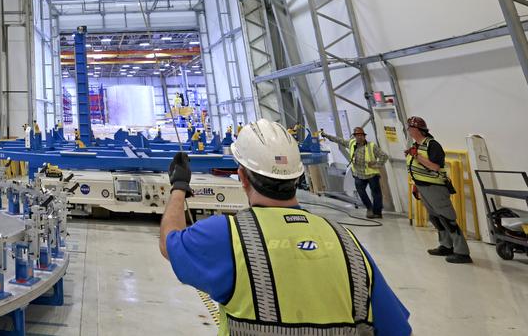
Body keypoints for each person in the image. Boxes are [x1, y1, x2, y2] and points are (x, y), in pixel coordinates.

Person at [159, 119, 410, 336]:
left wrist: (179, 186)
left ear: (242, 177)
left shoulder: (226, 236)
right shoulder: (348, 243)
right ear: (297, 177)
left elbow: (170, 241)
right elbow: (396, 329)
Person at [405, 115, 470, 264]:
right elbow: (415, 168)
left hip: (435, 188)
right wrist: (416, 185)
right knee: (435, 218)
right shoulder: (416, 145)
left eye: (410, 128)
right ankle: (446, 245)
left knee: (447, 218)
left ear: (417, 129)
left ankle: (462, 252)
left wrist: (417, 156)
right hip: (423, 187)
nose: (408, 130)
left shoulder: (432, 145)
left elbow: (435, 166)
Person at [322, 126, 388, 219]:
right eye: (357, 135)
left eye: (361, 135)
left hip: (371, 174)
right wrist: (326, 135)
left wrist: (376, 164)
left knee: (376, 193)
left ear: (364, 136)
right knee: (361, 192)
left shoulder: (371, 146)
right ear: (355, 136)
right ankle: (369, 208)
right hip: (358, 174)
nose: (359, 137)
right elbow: (339, 140)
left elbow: (384, 156)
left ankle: (377, 212)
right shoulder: (351, 143)